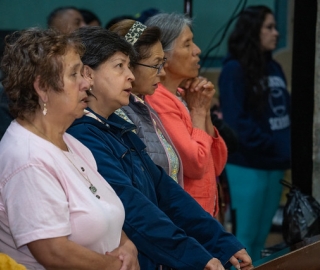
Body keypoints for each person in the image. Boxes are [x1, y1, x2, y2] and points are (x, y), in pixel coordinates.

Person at [68, 26, 254, 270]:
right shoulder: (83, 134)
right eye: (119, 66)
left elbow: (166, 191)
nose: (130, 75)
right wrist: (196, 257)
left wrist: (221, 243)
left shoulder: (118, 127)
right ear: (88, 75)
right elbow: (132, 208)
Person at [0, 28, 139, 270]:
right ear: (42, 88)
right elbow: (53, 252)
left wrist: (127, 245)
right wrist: (113, 266)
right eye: (75, 74)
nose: (87, 83)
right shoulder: (27, 159)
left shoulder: (69, 142)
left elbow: (102, 208)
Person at [218, 5, 291, 261]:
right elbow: (238, 124)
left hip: (275, 164)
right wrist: (274, 145)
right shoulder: (233, 70)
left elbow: (285, 114)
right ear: (253, 31)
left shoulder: (274, 68)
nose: (277, 33)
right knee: (244, 240)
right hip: (248, 165)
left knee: (261, 239)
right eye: (269, 27)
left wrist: (286, 148)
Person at [145, 13, 227, 217]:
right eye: (187, 44)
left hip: (203, 213)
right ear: (162, 55)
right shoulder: (157, 99)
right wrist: (199, 110)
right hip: (184, 217)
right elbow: (196, 164)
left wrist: (203, 108)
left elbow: (216, 162)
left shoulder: (184, 95)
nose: (197, 51)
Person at [109, 20, 183, 184]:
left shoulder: (142, 105)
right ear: (129, 66)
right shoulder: (118, 112)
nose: (162, 73)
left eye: (162, 63)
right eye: (156, 65)